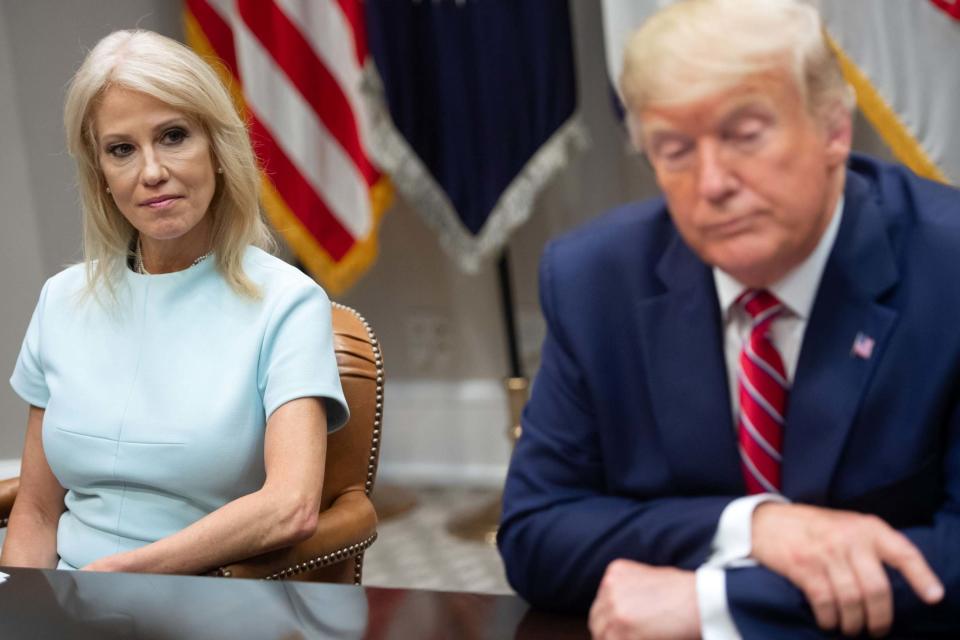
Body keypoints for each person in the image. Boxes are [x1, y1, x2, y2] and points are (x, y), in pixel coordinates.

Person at [498, 0, 960, 637]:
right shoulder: (594, 279)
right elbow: (537, 533)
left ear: (833, 130)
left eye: (745, 135)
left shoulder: (948, 266)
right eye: (674, 149)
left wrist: (718, 606)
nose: (712, 182)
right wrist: (756, 527)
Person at [2, 30, 349, 574]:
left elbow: (291, 506)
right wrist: (26, 611)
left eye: (172, 136)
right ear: (101, 178)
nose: (151, 172)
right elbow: (39, 511)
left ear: (217, 149)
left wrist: (122, 576)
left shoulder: (288, 302)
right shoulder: (61, 300)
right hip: (68, 605)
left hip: (208, 599)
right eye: (122, 149)